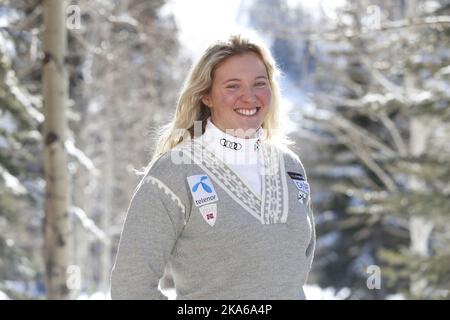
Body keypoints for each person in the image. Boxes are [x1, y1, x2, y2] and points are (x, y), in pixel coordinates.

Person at [110, 35, 315, 300]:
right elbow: (131, 288)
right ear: (206, 95)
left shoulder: (291, 168)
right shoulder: (174, 173)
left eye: (259, 84)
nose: (249, 97)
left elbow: (294, 273)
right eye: (232, 86)